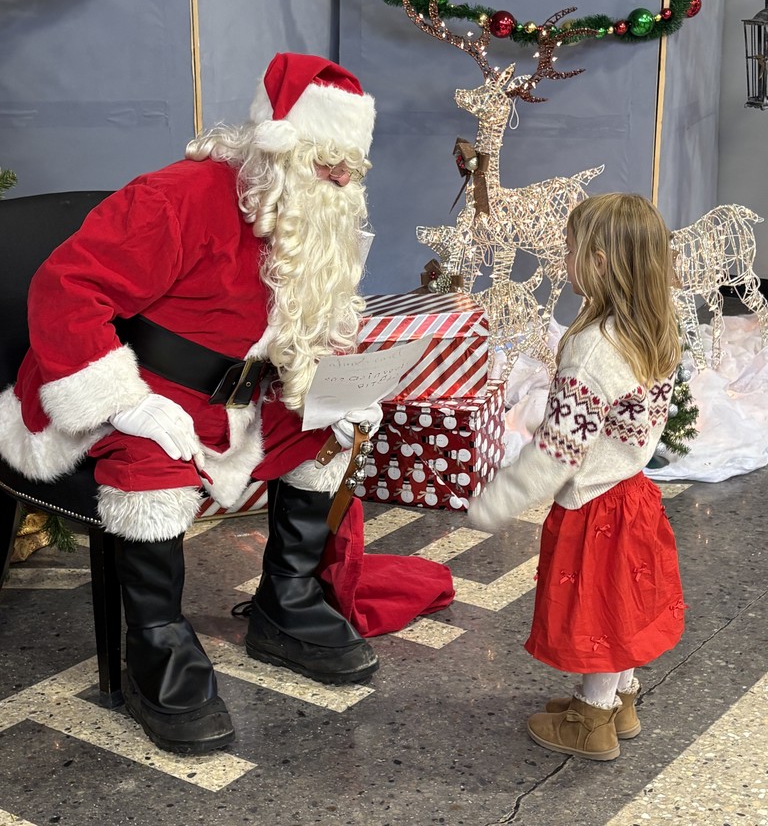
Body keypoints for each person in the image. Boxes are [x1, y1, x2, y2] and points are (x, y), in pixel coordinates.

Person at [0, 53, 419, 755]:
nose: (344, 180)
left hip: (242, 398)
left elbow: (313, 319)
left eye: (352, 166)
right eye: (326, 162)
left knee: (322, 434)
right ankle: (158, 648)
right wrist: (125, 402)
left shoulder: (314, 218)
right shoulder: (177, 198)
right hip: (142, 387)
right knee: (151, 469)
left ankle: (286, 601)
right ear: (278, 147)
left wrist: (340, 390)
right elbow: (64, 289)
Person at [468, 193, 686, 762]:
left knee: (599, 614)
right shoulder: (656, 325)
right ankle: (620, 699)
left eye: (568, 249)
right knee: (626, 606)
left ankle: (593, 722)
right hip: (634, 494)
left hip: (596, 506)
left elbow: (557, 453)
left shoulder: (593, 349)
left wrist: (495, 502)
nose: (562, 258)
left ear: (599, 260)